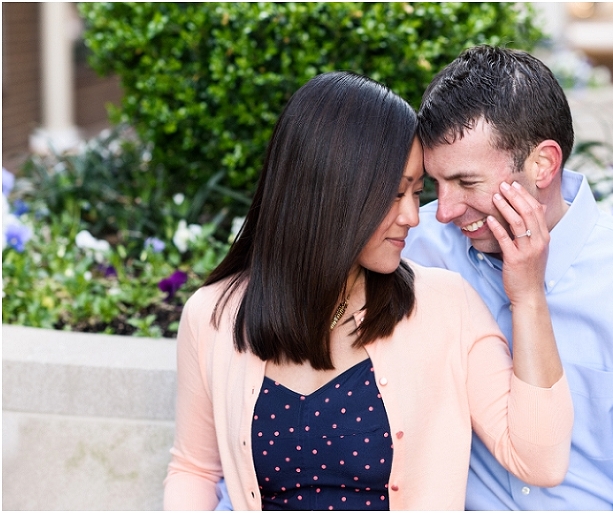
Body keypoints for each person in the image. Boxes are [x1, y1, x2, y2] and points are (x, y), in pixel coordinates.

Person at [163, 71, 573, 511]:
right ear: (331, 194)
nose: (414, 217)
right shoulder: (213, 316)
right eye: (395, 195)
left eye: (417, 193)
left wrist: (528, 297)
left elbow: (540, 461)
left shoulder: (445, 305)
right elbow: (195, 470)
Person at [402, 45, 613, 510]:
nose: (444, 209)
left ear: (543, 165)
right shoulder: (417, 248)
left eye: (467, 184)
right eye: (436, 184)